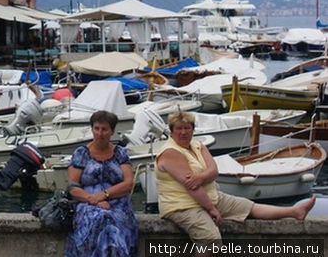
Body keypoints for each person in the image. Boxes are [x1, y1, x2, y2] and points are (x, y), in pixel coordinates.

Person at [156, 112, 315, 251]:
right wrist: (211, 209)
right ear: (172, 131)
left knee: (249, 207)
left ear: (193, 129)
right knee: (211, 241)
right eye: (179, 128)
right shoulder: (171, 152)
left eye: (187, 128)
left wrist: (201, 177)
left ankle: (295, 212)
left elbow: (214, 171)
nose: (183, 132)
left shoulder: (198, 145)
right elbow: (192, 187)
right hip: (182, 205)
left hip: (209, 196)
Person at [65, 110, 138, 257]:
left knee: (112, 222)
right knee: (102, 218)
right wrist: (94, 200)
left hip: (118, 204)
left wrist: (104, 195)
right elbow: (72, 187)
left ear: (112, 131)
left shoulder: (120, 153)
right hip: (88, 203)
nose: (100, 133)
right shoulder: (82, 153)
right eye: (96, 129)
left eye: (104, 129)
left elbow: (128, 183)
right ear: (92, 129)